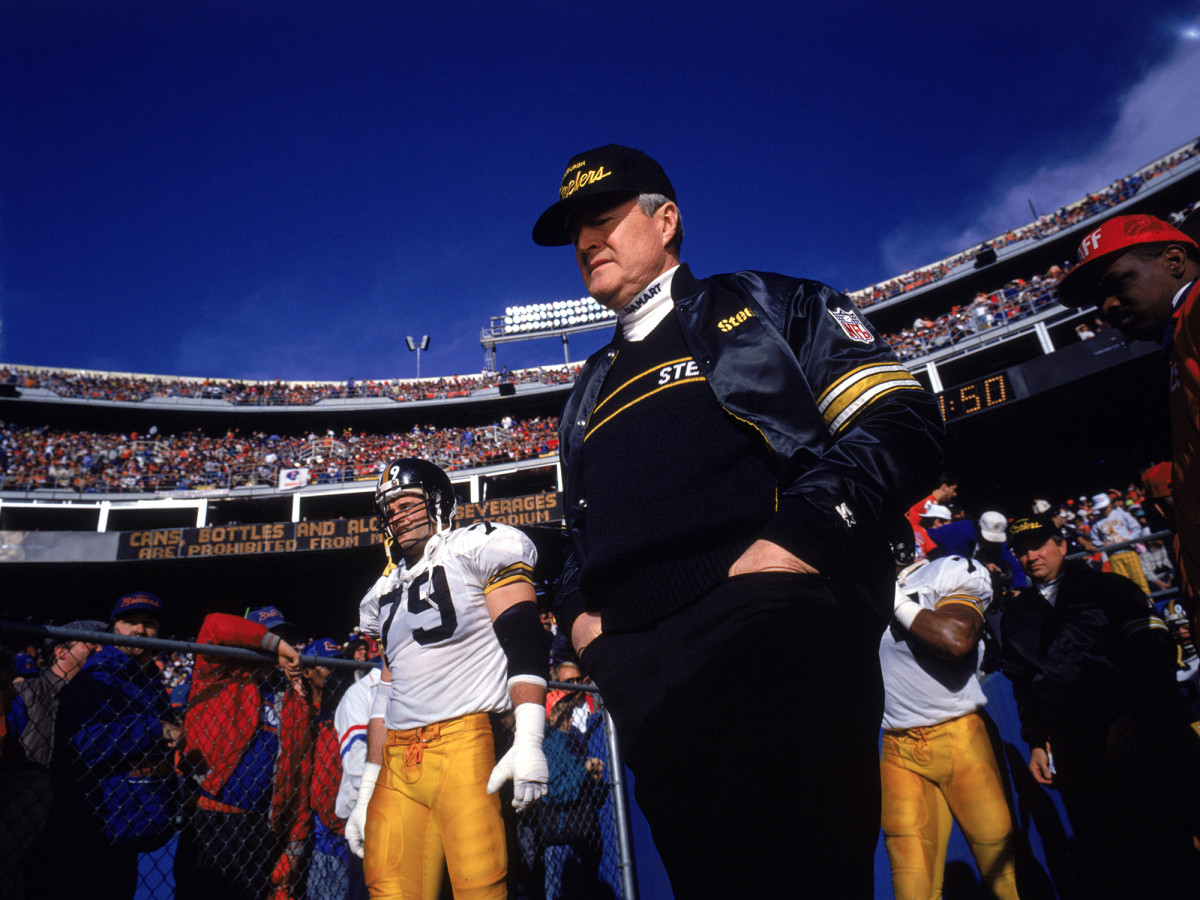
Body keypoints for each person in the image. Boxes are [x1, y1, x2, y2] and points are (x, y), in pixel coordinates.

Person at [533, 143, 944, 896]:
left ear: (666, 221)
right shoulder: (587, 386)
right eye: (575, 233)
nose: (587, 240)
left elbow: (901, 418)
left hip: (770, 632)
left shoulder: (772, 303)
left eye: (603, 218)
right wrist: (582, 627)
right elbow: (575, 535)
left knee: (803, 874)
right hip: (640, 670)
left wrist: (798, 544)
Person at [345, 458, 549, 898]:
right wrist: (365, 789)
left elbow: (523, 636)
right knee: (389, 889)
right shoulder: (382, 593)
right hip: (398, 760)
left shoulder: (476, 545)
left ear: (437, 500)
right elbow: (385, 693)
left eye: (407, 503)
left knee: (483, 887)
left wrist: (529, 736)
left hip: (466, 741)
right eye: (390, 509)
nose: (397, 515)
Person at [1001, 514, 1200, 897]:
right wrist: (1037, 742)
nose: (1032, 557)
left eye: (1040, 545)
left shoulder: (1109, 588)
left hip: (1139, 737)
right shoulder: (1017, 614)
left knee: (1168, 843)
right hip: (1077, 751)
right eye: (1022, 551)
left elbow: (1155, 650)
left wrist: (1134, 716)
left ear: (1061, 545)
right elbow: (1024, 685)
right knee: (1107, 852)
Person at [1055, 213, 1200, 630]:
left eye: (1118, 284)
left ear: (1174, 260)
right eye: (1099, 298)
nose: (1108, 307)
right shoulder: (1178, 336)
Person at [880, 542, 1019, 900]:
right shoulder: (853, 593)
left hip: (959, 737)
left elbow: (956, 639)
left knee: (1005, 882)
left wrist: (895, 601)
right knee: (913, 891)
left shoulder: (946, 572)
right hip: (898, 748)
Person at [45, 593, 181, 900]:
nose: (139, 630)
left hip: (130, 825)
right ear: (114, 629)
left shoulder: (151, 682)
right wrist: (152, 729)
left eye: (148, 623)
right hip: (93, 826)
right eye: (129, 622)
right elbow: (80, 743)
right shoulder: (96, 677)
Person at [174, 606, 310, 900]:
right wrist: (272, 644)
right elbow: (213, 625)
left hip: (260, 828)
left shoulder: (294, 699)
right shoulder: (219, 674)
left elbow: (299, 775)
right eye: (273, 637)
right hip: (208, 818)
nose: (281, 646)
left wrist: (295, 844)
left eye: (286, 638)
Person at [0, 619, 105, 900]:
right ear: (60, 651)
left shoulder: (98, 702)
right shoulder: (25, 693)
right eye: (90, 644)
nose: (99, 650)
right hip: (26, 817)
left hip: (75, 823)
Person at [928, 510, 1029, 591]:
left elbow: (1014, 564)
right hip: (936, 552)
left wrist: (1019, 588)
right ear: (978, 527)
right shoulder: (961, 533)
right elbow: (957, 563)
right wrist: (984, 565)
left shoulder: (997, 543)